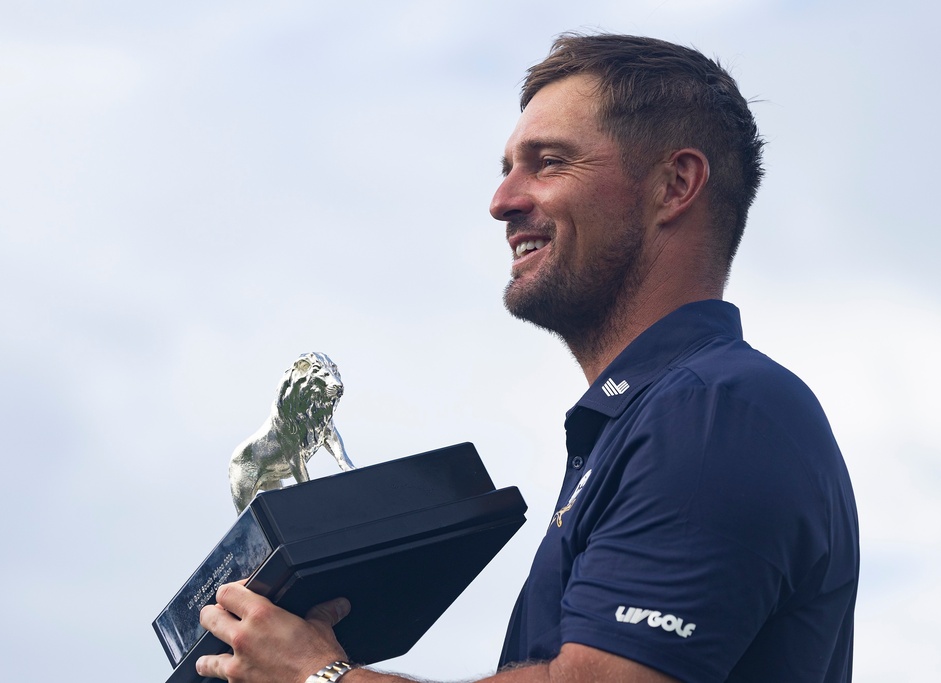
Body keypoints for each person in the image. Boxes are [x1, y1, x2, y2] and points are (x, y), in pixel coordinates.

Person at [194, 33, 859, 683]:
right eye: (507, 167)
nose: (502, 202)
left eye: (548, 162)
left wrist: (320, 675)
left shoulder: (715, 409)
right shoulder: (653, 420)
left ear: (674, 184)